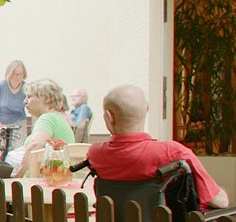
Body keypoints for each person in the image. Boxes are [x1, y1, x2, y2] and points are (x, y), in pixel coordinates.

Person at [88, 84, 228, 212]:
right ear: (147, 109)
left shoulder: (95, 154)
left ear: (108, 117)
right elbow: (220, 202)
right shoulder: (174, 152)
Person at [8, 78, 76, 176]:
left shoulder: (47, 118)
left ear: (45, 98)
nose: (25, 101)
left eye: (29, 97)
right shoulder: (59, 118)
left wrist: (18, 175)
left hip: (39, 182)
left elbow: (35, 145)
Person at [0, 60, 29, 152]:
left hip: (19, 122)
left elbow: (31, 105)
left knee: (18, 150)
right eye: (14, 74)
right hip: (1, 122)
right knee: (1, 150)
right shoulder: (1, 85)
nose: (17, 77)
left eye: (19, 74)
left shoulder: (25, 87)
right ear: (9, 73)